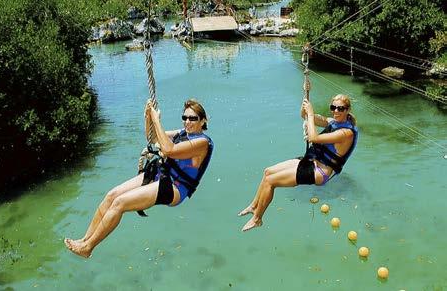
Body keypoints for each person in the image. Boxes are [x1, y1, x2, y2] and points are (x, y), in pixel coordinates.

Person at [64, 98, 213, 257]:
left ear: (202, 121)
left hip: (175, 187)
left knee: (120, 203)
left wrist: (156, 119)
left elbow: (169, 150)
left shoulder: (202, 143)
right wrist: (148, 117)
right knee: (111, 196)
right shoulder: (182, 133)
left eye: (192, 119)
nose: (187, 122)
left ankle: (88, 248)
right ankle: (85, 240)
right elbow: (153, 139)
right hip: (161, 174)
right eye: (185, 118)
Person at [238, 94, 358, 232]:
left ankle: (257, 219)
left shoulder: (346, 133)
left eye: (340, 109)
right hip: (311, 161)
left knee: (271, 181)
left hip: (319, 172)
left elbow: (314, 137)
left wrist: (311, 115)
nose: (336, 111)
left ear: (347, 110)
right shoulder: (333, 122)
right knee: (268, 172)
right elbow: (305, 116)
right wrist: (305, 106)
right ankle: (254, 206)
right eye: (333, 107)